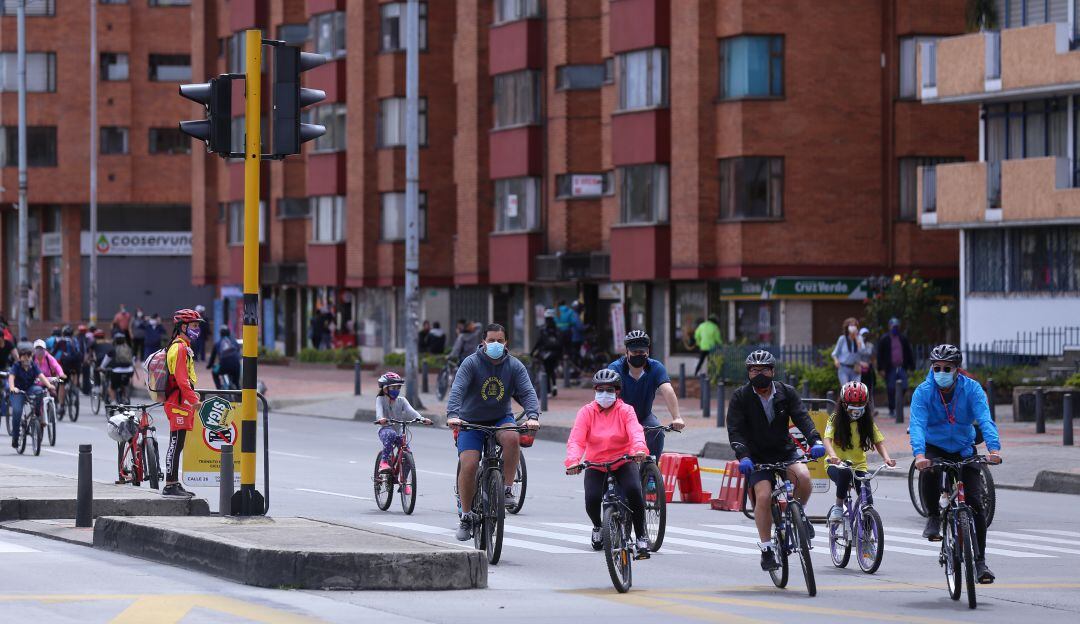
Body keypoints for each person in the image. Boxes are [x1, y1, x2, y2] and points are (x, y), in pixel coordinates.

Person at [910, 344, 1002, 584]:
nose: (941, 371)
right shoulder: (923, 392)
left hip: (963, 447)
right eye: (936, 367)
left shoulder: (972, 389)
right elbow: (918, 424)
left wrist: (993, 448)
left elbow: (984, 417)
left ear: (956, 369)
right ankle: (932, 517)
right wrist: (920, 455)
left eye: (946, 368)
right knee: (928, 470)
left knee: (976, 503)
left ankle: (980, 562)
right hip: (935, 446)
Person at [726, 350, 825, 571]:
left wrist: (815, 441)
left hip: (784, 450)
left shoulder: (786, 392)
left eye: (763, 369)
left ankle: (798, 515)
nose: (758, 374)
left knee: (804, 478)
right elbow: (735, 430)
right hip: (756, 457)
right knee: (762, 496)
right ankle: (767, 548)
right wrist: (743, 455)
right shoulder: (740, 397)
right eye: (754, 370)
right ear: (748, 373)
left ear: (772, 371)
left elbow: (802, 418)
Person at [446, 323, 540, 540]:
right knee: (469, 463)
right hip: (470, 421)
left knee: (512, 437)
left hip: (500, 418)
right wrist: (453, 415)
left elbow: (527, 392)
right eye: (491, 340)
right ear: (483, 342)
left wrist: (533, 416)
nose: (496, 344)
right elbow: (457, 390)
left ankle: (506, 490)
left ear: (506, 342)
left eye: (500, 340)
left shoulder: (515, 366)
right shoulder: (470, 364)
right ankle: (467, 516)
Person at [565, 368, 650, 556]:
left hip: (623, 461)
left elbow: (635, 431)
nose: (605, 394)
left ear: (617, 392)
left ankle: (641, 537)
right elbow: (577, 440)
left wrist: (639, 450)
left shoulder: (626, 410)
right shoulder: (586, 412)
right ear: (595, 391)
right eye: (600, 390)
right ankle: (598, 527)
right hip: (596, 464)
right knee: (592, 499)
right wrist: (573, 461)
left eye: (610, 390)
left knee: (635, 491)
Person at [824, 381, 896, 525]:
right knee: (844, 473)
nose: (856, 408)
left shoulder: (867, 421)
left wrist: (887, 459)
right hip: (836, 465)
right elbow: (827, 439)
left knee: (867, 501)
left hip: (859, 467)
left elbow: (878, 441)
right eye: (853, 404)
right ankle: (838, 507)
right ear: (844, 403)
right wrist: (833, 456)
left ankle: (868, 538)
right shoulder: (835, 418)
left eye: (860, 404)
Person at [607, 330, 685, 459]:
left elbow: (667, 390)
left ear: (647, 352)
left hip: (644, 416)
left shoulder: (656, 367)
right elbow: (608, 394)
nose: (638, 354)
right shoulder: (615, 368)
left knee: (657, 432)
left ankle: (651, 471)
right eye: (634, 352)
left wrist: (677, 417)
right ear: (626, 352)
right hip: (619, 418)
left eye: (641, 352)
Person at [161, 308, 203, 498]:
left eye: (197, 326)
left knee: (178, 444)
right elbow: (181, 379)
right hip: (177, 402)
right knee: (175, 443)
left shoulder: (183, 346)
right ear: (182, 326)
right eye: (194, 325)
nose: (197, 329)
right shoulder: (178, 348)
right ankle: (170, 485)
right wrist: (194, 400)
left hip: (181, 402)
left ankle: (174, 483)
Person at [374, 372, 432, 482]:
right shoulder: (380, 399)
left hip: (399, 430)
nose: (396, 390)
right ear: (385, 389)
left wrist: (422, 419)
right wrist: (381, 419)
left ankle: (403, 482)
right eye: (393, 387)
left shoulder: (402, 400)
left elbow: (411, 412)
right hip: (385, 429)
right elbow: (379, 412)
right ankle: (384, 462)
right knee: (390, 434)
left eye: (398, 387)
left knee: (407, 453)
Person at [7, 348, 55, 448]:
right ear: (20, 358)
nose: (26, 359)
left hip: (30, 388)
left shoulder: (33, 365)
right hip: (18, 391)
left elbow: (41, 376)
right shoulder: (16, 366)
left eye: (28, 356)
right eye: (24, 356)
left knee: (39, 391)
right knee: (17, 411)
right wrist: (12, 388)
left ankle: (37, 413)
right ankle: (15, 437)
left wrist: (49, 385)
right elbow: (11, 377)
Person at [876, 317, 915, 418]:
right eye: (893, 326)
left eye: (897, 326)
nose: (895, 328)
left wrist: (911, 366)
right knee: (891, 388)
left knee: (904, 386)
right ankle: (892, 408)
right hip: (890, 368)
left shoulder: (903, 338)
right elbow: (879, 354)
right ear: (889, 327)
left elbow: (909, 352)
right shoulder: (885, 339)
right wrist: (880, 368)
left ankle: (898, 403)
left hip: (901, 367)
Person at [530, 310, 563, 398]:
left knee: (546, 372)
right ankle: (555, 386)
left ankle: (548, 390)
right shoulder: (557, 329)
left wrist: (533, 352)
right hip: (555, 353)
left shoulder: (543, 329)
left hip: (546, 354)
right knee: (552, 370)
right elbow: (561, 343)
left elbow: (539, 342)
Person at [32, 339, 66, 415]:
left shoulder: (48, 357)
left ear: (45, 349)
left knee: (61, 382)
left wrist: (61, 374)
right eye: (37, 349)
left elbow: (56, 366)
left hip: (48, 380)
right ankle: (39, 415)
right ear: (34, 350)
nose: (39, 351)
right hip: (36, 381)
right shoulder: (32, 359)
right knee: (38, 399)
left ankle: (57, 404)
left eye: (41, 349)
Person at [100, 333, 135, 404]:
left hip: (117, 372)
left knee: (111, 387)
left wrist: (101, 368)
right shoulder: (129, 349)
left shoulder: (112, 350)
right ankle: (125, 398)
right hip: (129, 371)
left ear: (115, 341)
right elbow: (133, 361)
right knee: (124, 384)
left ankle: (113, 402)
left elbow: (105, 362)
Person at [831, 317, 863, 387]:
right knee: (846, 391)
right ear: (847, 328)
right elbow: (834, 353)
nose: (853, 327)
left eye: (855, 326)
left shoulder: (859, 339)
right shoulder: (842, 339)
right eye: (851, 325)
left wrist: (855, 337)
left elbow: (861, 351)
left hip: (855, 368)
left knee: (855, 391)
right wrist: (836, 361)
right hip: (844, 368)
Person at [857, 327, 876, 406]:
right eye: (863, 335)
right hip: (859, 370)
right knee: (859, 389)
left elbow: (873, 357)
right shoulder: (857, 345)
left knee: (869, 389)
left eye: (866, 334)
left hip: (868, 370)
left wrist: (872, 365)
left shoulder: (870, 346)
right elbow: (854, 357)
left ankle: (870, 409)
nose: (865, 336)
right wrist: (861, 363)